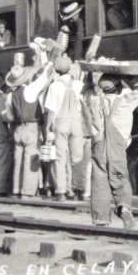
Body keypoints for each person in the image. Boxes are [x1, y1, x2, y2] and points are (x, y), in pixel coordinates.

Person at [85, 73, 138, 228]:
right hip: (118, 148)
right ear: (119, 86)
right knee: (120, 178)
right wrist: (126, 75)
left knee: (99, 181)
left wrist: (92, 76)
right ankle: (124, 208)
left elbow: (87, 88)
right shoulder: (125, 101)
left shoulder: (93, 100)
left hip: (98, 145)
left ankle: (101, 219)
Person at [6, 60, 54, 198]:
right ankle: (27, 192)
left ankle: (15, 190)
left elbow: (9, 115)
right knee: (30, 161)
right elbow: (44, 78)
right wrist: (50, 63)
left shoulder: (11, 95)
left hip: (18, 129)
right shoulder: (31, 89)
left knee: (18, 161)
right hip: (31, 128)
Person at [45, 56, 86, 201]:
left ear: (57, 71)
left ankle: (61, 192)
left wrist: (47, 129)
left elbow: (50, 111)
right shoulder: (79, 85)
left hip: (60, 122)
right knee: (77, 158)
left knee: (60, 159)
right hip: (76, 123)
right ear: (70, 69)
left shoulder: (54, 86)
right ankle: (78, 190)